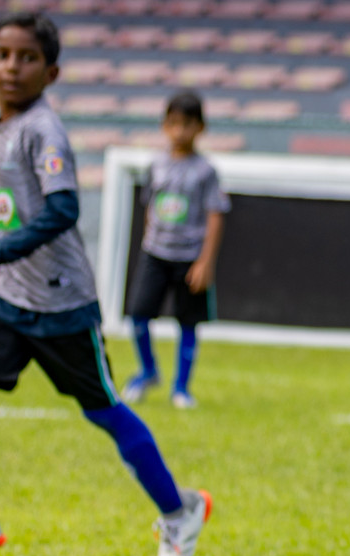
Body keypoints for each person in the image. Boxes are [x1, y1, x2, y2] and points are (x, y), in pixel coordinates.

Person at [0, 13, 210, 556]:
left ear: (50, 72)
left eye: (26, 58)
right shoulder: (1, 126)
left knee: (104, 412)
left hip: (59, 301)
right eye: (2, 54)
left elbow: (63, 209)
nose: (11, 66)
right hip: (11, 296)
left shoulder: (44, 130)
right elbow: (21, 210)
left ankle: (181, 511)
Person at [122, 90, 231, 410]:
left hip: (189, 257)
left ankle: (181, 388)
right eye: (173, 124)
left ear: (200, 128)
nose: (179, 131)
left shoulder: (205, 171)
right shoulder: (155, 165)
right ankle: (148, 371)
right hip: (156, 253)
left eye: (187, 124)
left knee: (187, 322)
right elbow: (150, 207)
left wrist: (205, 261)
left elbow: (215, 214)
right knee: (139, 315)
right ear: (163, 126)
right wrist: (146, 242)